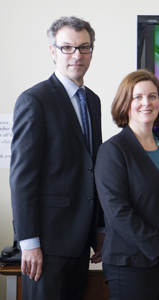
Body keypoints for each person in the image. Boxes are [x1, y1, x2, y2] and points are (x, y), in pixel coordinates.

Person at [9, 16, 104, 299]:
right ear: (53, 51)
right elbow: (22, 178)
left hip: (81, 241)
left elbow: (92, 168)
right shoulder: (34, 100)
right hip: (46, 244)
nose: (77, 55)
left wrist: (99, 227)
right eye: (67, 48)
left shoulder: (93, 101)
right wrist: (29, 243)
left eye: (84, 47)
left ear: (92, 50)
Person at [95, 70, 159, 300]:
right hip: (133, 264)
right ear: (125, 104)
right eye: (137, 97)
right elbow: (118, 212)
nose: (146, 103)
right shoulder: (113, 151)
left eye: (153, 96)